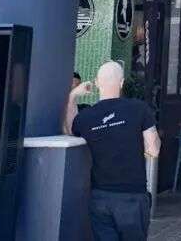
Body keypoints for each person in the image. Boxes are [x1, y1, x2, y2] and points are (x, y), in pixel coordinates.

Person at [65, 61, 160, 241]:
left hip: (100, 197)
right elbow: (153, 149)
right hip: (132, 196)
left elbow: (70, 129)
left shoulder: (87, 117)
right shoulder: (139, 108)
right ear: (122, 82)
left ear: (97, 83)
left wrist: (72, 96)